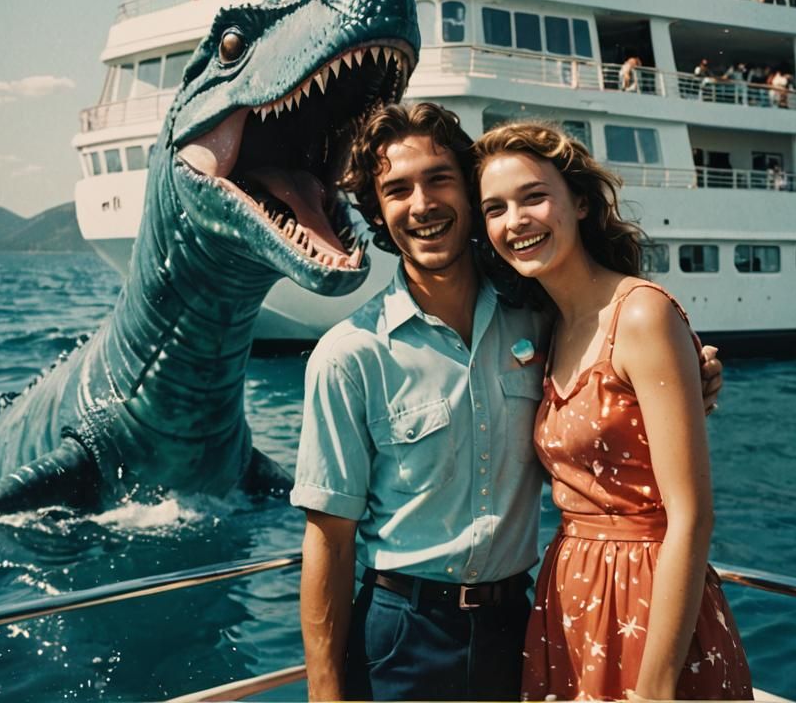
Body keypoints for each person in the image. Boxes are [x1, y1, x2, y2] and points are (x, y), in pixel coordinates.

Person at [292, 103, 724, 703]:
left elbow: (612, 380)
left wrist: (692, 373)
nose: (421, 205)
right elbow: (329, 540)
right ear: (377, 212)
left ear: (468, 197)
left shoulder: (541, 317)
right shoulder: (348, 355)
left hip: (518, 625)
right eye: (396, 190)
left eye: (440, 179)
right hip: (403, 633)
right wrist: (324, 691)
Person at [474, 122, 752, 702]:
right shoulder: (552, 327)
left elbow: (692, 516)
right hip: (573, 599)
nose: (514, 221)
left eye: (533, 196)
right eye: (495, 208)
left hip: (651, 604)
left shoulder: (642, 316)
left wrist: (653, 689)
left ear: (578, 202)